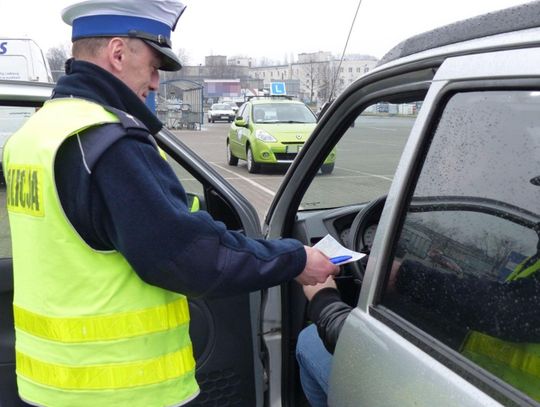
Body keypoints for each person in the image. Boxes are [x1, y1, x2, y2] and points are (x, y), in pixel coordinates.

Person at [2, 1, 338, 406]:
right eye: (154, 65)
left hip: (49, 385)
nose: (157, 82)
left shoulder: (33, 135)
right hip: (124, 390)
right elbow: (187, 257)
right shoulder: (109, 142)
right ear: (118, 53)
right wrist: (294, 259)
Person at [296, 252, 540, 406]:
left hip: (471, 389)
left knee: (309, 341)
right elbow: (504, 304)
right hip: (483, 373)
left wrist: (323, 299)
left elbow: (513, 310)